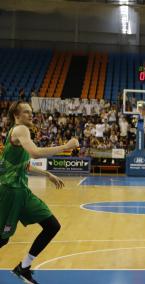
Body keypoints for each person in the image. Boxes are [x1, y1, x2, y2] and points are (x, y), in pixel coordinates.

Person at [0, 101, 79, 284]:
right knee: (3, 239)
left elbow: (23, 163)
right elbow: (35, 153)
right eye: (26, 112)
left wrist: (47, 174)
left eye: (31, 111)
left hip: (22, 192)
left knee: (52, 226)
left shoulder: (19, 133)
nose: (31, 114)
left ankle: (24, 267)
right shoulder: (20, 130)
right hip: (9, 193)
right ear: (16, 116)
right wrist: (65, 147)